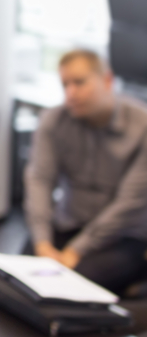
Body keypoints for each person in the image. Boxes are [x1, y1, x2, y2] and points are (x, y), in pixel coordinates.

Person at [24, 49, 147, 295]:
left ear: (107, 80)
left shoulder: (142, 126)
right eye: (65, 85)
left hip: (122, 236)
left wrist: (76, 250)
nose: (70, 93)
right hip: (69, 223)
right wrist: (43, 242)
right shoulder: (54, 120)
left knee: (70, 286)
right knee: (22, 275)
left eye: (79, 82)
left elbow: (129, 203)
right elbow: (40, 180)